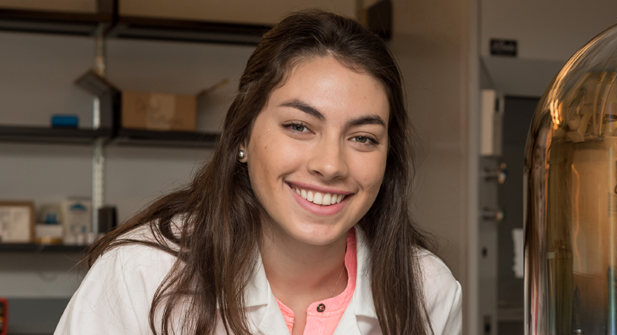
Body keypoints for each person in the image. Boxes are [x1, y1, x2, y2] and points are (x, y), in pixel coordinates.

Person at [54, 9, 461, 335]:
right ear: (243, 136)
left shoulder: (426, 289)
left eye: (363, 138)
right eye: (299, 127)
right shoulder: (141, 274)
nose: (330, 165)